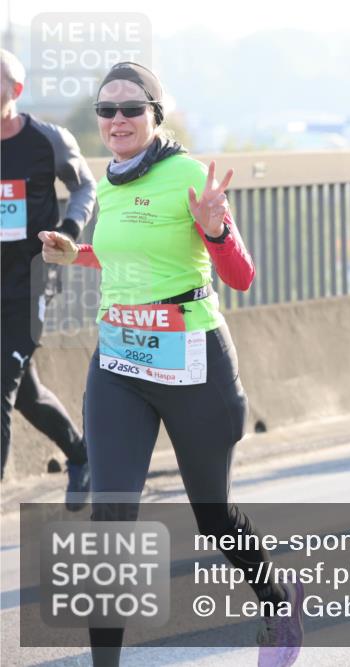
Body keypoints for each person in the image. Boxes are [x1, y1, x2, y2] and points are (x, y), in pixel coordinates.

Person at [39, 62, 303, 667]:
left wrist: (216, 230)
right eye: (106, 110)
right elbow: (130, 257)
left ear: (155, 115)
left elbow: (241, 276)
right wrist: (78, 254)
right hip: (120, 363)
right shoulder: (110, 181)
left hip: (193, 365)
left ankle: (276, 599)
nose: (117, 120)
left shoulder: (188, 175)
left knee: (213, 515)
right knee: (110, 518)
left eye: (131, 108)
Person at [1, 48, 94, 508]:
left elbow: (85, 186)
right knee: (26, 394)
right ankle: (81, 453)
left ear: (15, 90)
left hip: (32, 280)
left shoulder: (48, 140)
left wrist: (69, 231)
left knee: (1, 385)